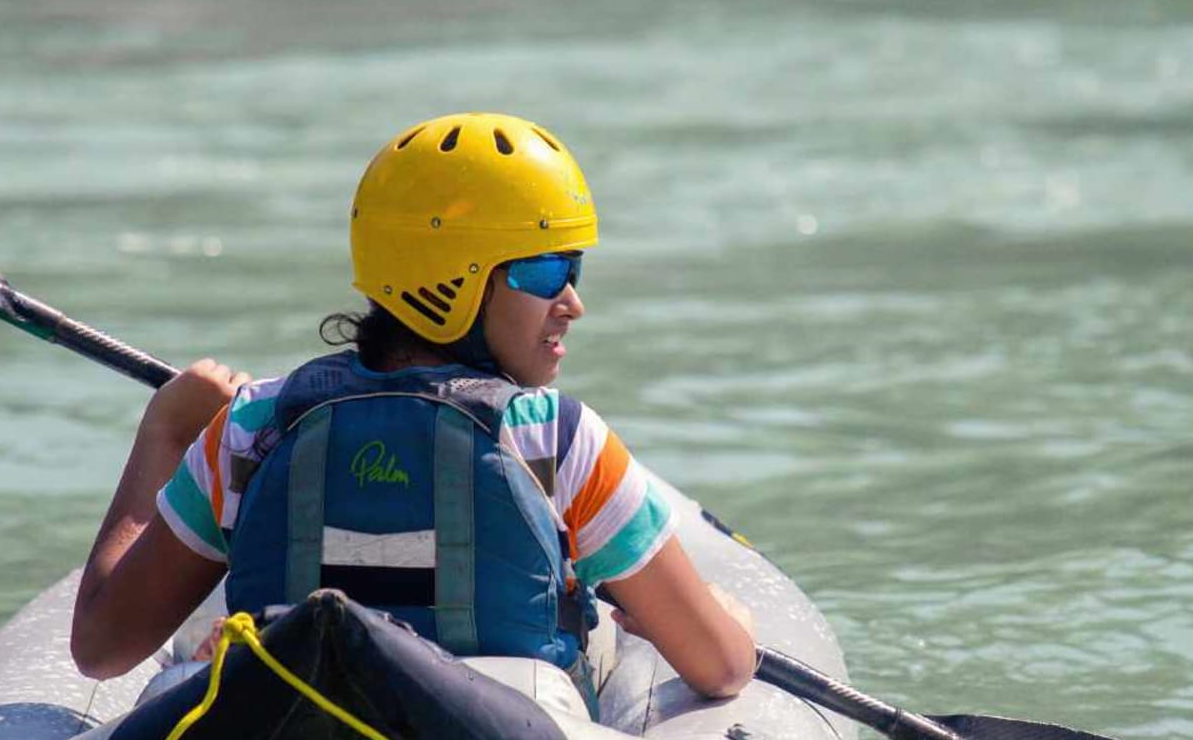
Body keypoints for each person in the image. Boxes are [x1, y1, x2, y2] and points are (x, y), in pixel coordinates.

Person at [69, 112, 755, 706]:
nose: (573, 301)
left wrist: (164, 433)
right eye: (546, 270)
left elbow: (102, 646)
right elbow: (721, 666)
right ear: (453, 277)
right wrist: (728, 620)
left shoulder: (251, 428)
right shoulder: (558, 440)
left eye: (574, 270)